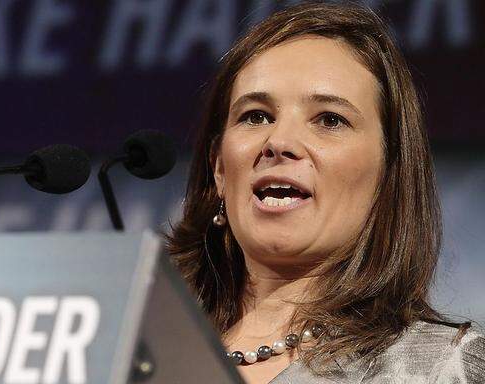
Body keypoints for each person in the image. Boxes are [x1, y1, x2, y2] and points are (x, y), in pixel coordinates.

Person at [167, 1, 485, 383]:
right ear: (219, 168)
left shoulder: (442, 369)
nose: (279, 141)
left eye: (330, 120)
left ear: (388, 176)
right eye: (256, 116)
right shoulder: (131, 347)